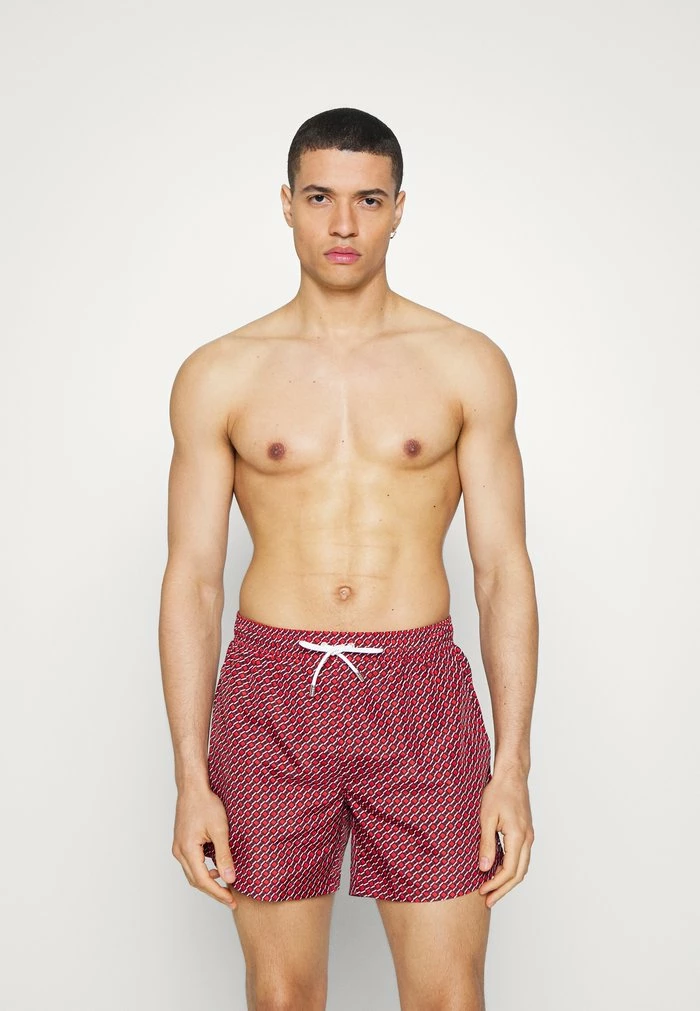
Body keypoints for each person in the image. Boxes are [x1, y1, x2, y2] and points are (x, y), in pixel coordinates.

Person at [159, 107, 538, 1010]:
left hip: (420, 695)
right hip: (270, 695)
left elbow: (502, 571)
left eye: (367, 200)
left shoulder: (465, 363)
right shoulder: (220, 372)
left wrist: (513, 767)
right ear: (286, 203)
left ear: (399, 208)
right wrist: (189, 777)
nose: (342, 224)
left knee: (449, 995)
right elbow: (193, 580)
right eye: (320, 197)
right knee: (283, 994)